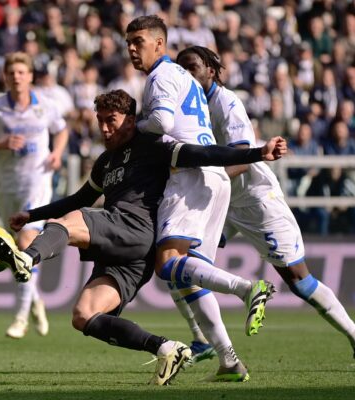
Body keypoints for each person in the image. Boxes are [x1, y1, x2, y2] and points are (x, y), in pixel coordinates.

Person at [0, 89, 287, 385]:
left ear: (130, 120)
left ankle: (26, 258)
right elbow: (79, 198)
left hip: (135, 226)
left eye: (111, 120)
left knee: (69, 223)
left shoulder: (151, 145)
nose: (104, 128)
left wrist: (257, 152)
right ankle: (165, 348)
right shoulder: (105, 161)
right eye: (100, 120)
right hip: (132, 255)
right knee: (84, 315)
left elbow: (202, 153)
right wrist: (31, 215)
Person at [177, 45, 355, 358]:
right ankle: (203, 339)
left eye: (193, 67)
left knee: (298, 279)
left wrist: (207, 182)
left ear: (211, 70)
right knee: (178, 260)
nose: (187, 75)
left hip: (256, 200)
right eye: (182, 70)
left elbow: (244, 157)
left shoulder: (227, 103)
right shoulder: (191, 108)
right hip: (224, 201)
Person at [125, 15, 275, 381]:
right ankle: (229, 361)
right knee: (188, 277)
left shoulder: (160, 77)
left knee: (167, 264)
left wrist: (134, 128)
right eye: (129, 41)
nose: (132, 48)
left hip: (189, 177)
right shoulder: (184, 77)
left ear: (160, 44)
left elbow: (160, 123)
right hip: (213, 179)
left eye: (139, 41)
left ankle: (246, 288)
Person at [0, 52, 69, 339]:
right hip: (7, 185)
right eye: (11, 72)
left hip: (37, 183)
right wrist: (0, 144)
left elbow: (61, 131)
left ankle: (20, 317)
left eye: (21, 72)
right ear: (5, 77)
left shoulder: (45, 106)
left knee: (26, 241)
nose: (16, 77)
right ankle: (35, 301)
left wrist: (58, 154)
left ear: (30, 76)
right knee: (14, 252)